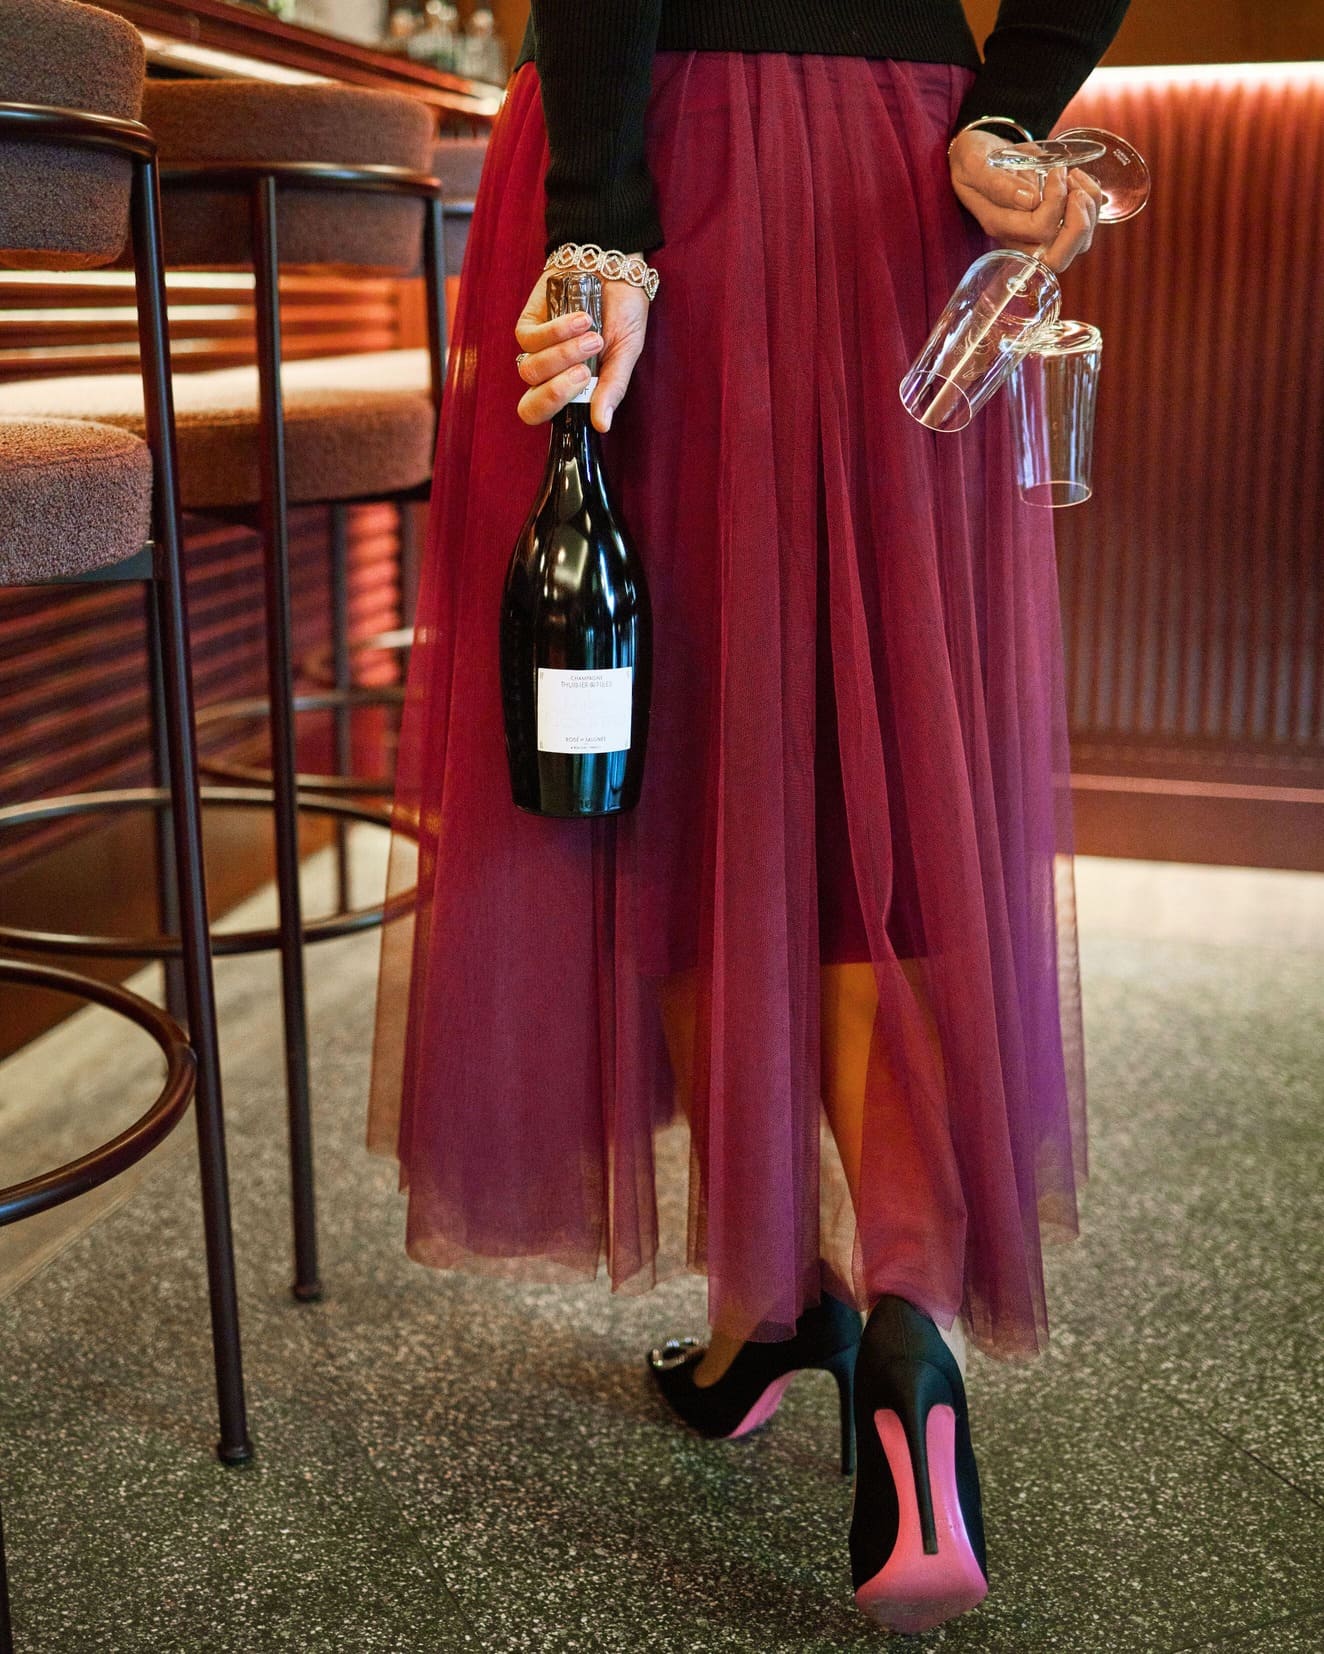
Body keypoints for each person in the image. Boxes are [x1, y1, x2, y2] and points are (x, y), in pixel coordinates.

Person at [369, 0, 1129, 1630]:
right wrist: (1004, 115)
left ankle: (773, 1292)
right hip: (909, 179)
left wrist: (599, 237)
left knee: (675, 741)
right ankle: (900, 1318)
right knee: (875, 768)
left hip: (669, 145)